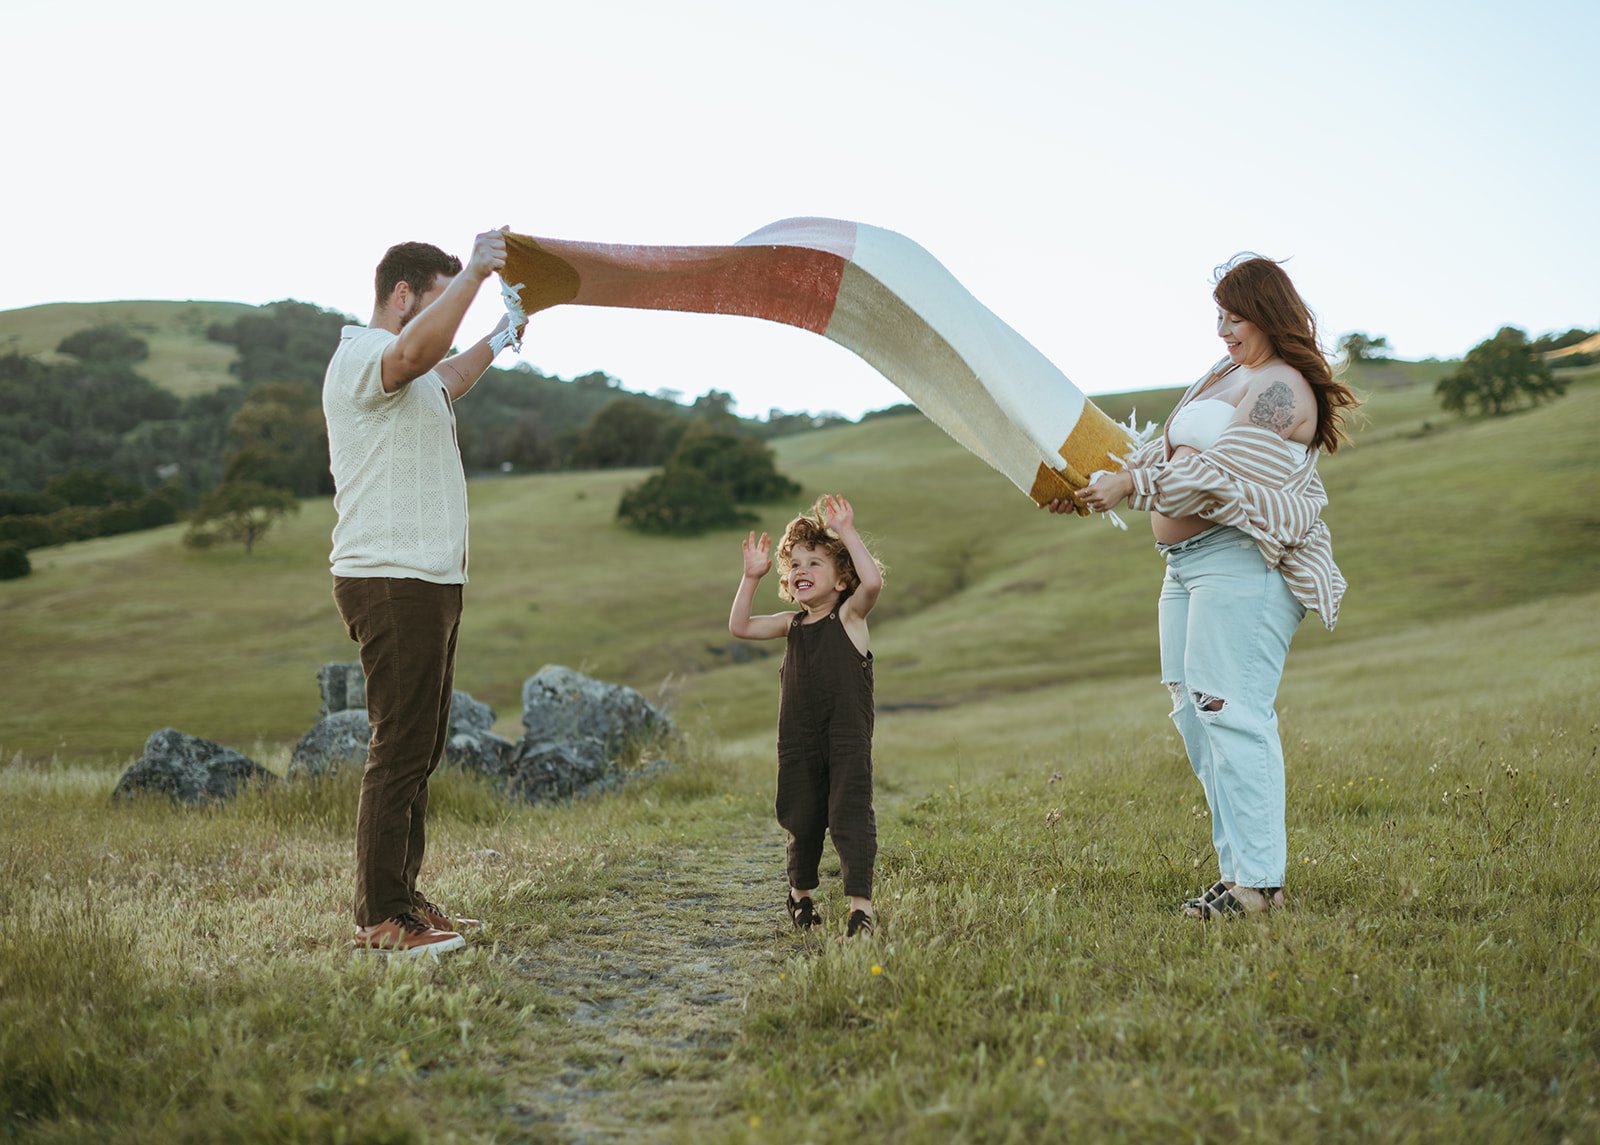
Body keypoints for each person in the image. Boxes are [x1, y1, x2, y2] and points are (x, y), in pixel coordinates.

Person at [1055, 254, 1359, 919]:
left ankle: (1260, 885)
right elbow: (1160, 454)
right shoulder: (1226, 374)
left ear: (1268, 312)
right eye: (1218, 315)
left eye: (1235, 315)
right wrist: (1091, 488)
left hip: (1241, 561)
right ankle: (1238, 869)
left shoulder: (1282, 390)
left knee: (1231, 709)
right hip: (1184, 565)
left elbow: (1217, 479)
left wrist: (1131, 486)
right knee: (1195, 715)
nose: (1223, 329)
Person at [324, 228, 521, 955]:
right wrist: (475, 271)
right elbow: (417, 355)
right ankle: (379, 915)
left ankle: (402, 900)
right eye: (441, 303)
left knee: (422, 747)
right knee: (399, 746)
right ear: (402, 295)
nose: (449, 326)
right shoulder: (362, 356)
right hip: (388, 576)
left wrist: (501, 336)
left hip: (429, 579)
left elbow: (448, 375)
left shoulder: (415, 377)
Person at [729, 494, 885, 938]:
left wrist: (847, 531)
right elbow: (739, 627)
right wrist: (750, 577)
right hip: (797, 743)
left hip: (845, 741)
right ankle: (800, 897)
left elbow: (872, 584)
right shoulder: (790, 624)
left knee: (850, 814)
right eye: (794, 564)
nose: (801, 570)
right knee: (803, 818)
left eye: (815, 563)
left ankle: (860, 910)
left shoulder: (850, 617)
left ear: (841, 581)